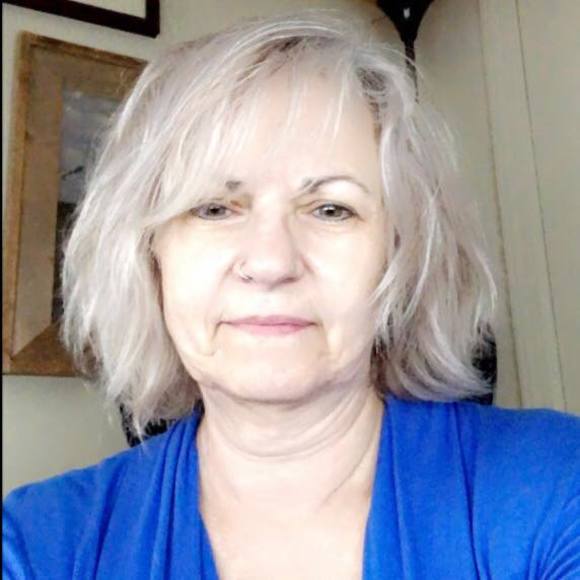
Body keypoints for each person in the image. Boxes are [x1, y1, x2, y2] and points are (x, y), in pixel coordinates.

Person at [3, 11, 579, 580]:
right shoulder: (36, 544)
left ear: (401, 255)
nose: (271, 262)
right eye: (214, 208)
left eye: (331, 209)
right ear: (150, 258)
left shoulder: (554, 485)